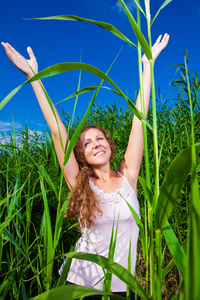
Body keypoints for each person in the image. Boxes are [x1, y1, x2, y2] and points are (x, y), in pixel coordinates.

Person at [2, 33, 169, 299]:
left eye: (99, 138)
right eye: (87, 143)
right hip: (82, 286)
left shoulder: (129, 176)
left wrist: (147, 66)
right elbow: (58, 133)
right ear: (81, 155)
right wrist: (34, 77)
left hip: (125, 287)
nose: (95, 144)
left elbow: (140, 121)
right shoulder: (80, 182)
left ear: (110, 145)